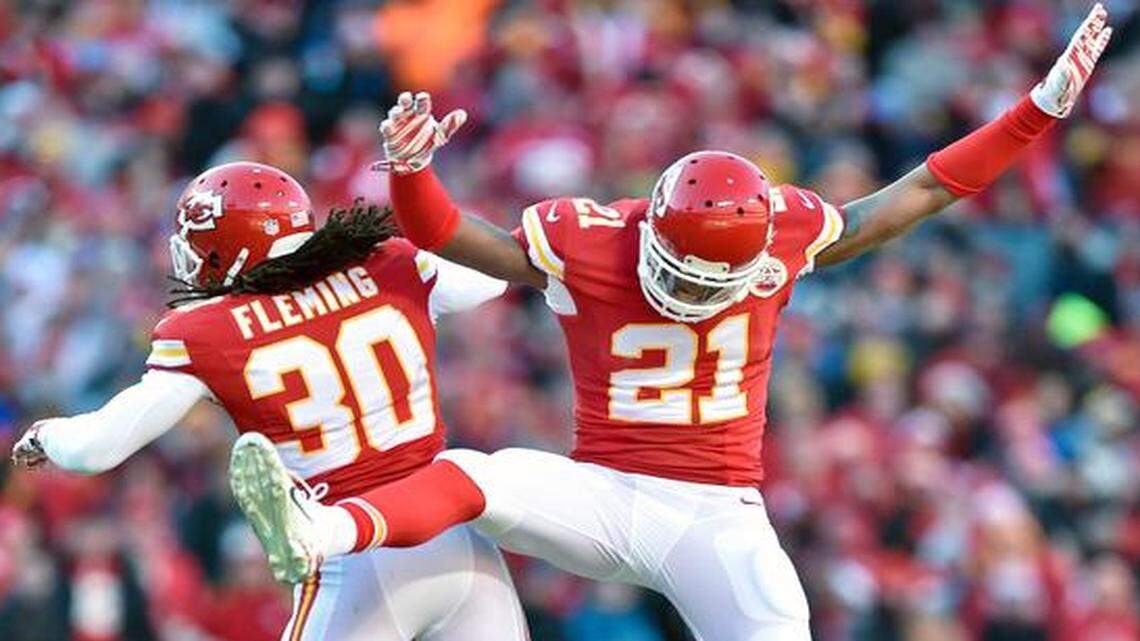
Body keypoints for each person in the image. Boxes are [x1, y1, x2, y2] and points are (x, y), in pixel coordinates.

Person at [227, 5, 1114, 641]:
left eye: (715, 281)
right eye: (684, 274)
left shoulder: (782, 230)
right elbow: (453, 235)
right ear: (650, 229)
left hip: (720, 516)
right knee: (471, 475)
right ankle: (320, 530)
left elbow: (918, 191)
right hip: (605, 496)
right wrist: (412, 173)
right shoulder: (590, 241)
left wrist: (1035, 114)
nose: (693, 295)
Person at [9, 161, 529, 641]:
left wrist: (45, 435)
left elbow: (96, 449)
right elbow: (492, 275)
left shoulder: (206, 329)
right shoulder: (390, 262)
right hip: (458, 532)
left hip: (356, 550)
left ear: (232, 248)